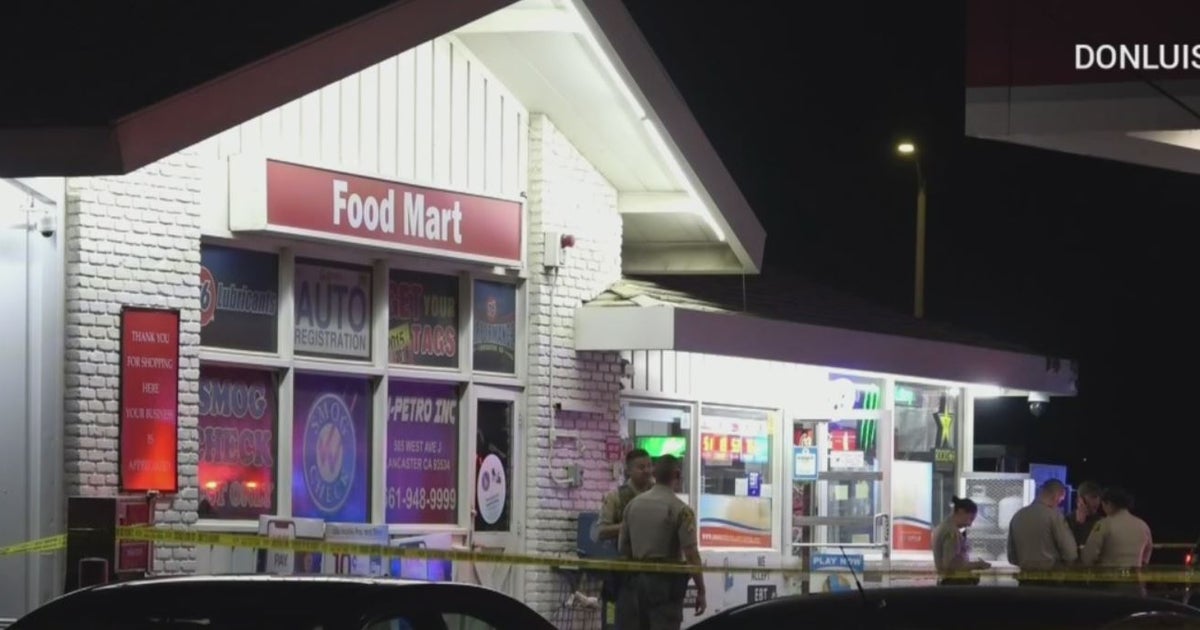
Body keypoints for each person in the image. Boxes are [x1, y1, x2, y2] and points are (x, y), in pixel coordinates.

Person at [618, 454, 706, 630]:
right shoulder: (681, 510)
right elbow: (691, 554)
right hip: (667, 588)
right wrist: (701, 591)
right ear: (677, 475)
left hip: (636, 586)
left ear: (654, 474)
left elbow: (623, 548)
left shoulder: (632, 505)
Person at [598, 449, 654, 627]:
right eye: (641, 467)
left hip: (652, 575)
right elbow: (600, 531)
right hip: (622, 578)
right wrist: (625, 527)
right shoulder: (616, 497)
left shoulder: (658, 497)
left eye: (649, 466)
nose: (647, 470)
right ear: (628, 470)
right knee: (617, 623)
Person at [1081, 487, 1152, 596]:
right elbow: (1147, 554)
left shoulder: (1104, 524)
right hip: (1136, 583)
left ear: (1108, 503)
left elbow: (1089, 556)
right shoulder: (1143, 525)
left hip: (1109, 584)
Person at [1006, 478, 1078, 586]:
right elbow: (1070, 553)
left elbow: (1012, 557)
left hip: (1025, 582)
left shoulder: (1017, 516)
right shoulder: (1054, 516)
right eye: (1060, 500)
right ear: (1056, 496)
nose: (1059, 504)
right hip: (1050, 582)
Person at [932, 496, 992, 585]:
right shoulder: (951, 532)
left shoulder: (943, 528)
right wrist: (977, 565)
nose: (970, 524)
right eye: (970, 519)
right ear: (961, 511)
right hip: (955, 584)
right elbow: (950, 565)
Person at [1070, 481, 1105, 549]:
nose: (1097, 501)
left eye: (1098, 497)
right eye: (1093, 497)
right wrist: (1079, 524)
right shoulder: (1068, 519)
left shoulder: (1102, 521)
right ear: (1080, 500)